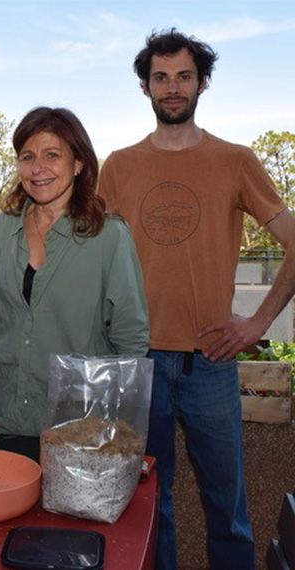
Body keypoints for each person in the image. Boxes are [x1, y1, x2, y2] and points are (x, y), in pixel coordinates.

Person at [99, 29, 295, 570]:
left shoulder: (235, 160)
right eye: (161, 77)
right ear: (145, 87)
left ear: (202, 82)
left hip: (212, 359)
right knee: (149, 504)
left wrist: (258, 322)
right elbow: (88, 251)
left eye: (184, 76)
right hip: (139, 362)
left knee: (226, 507)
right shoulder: (118, 165)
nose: (173, 87)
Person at [0, 107, 149, 461]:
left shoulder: (109, 236)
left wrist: (112, 426)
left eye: (52, 155)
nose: (38, 168)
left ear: (79, 163)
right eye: (28, 157)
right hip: (8, 420)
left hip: (82, 426)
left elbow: (131, 339)